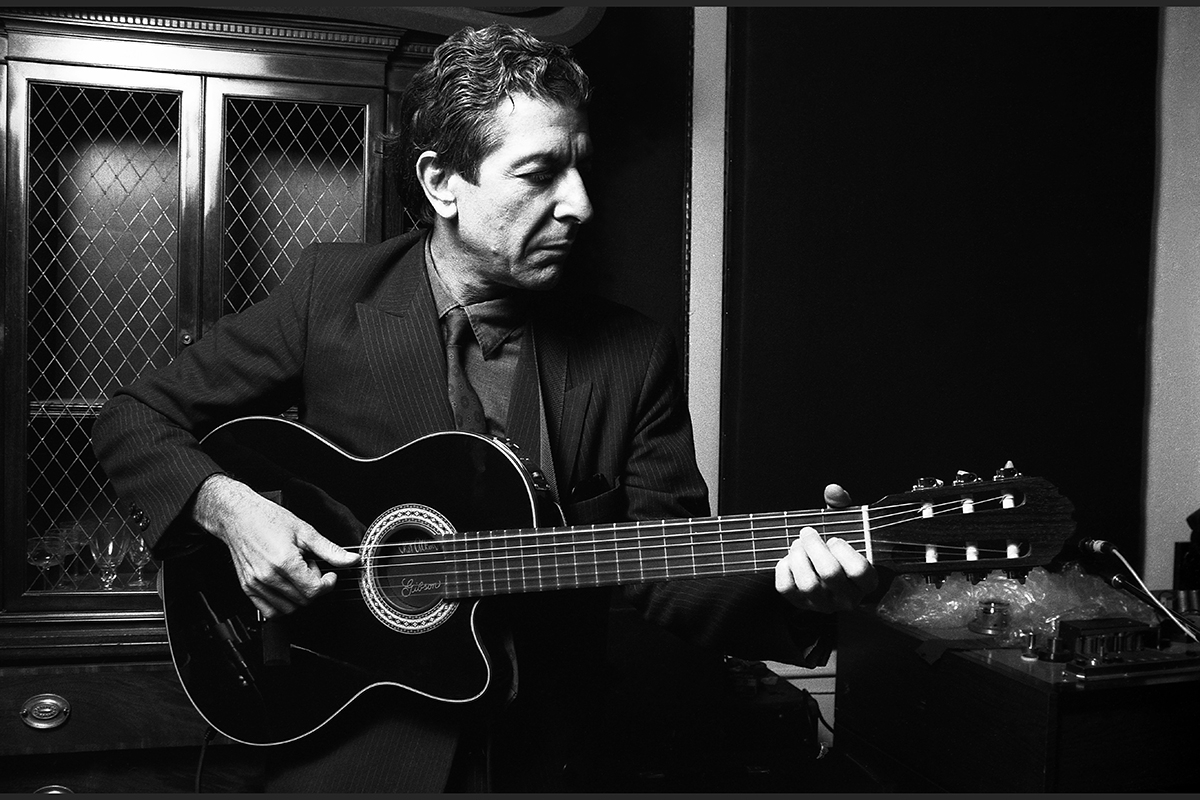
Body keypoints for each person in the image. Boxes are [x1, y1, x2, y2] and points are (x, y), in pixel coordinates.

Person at [92, 23, 876, 792]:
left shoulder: (632, 356)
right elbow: (134, 417)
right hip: (347, 748)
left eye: (582, 169)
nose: (579, 205)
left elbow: (665, 563)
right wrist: (231, 511)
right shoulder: (328, 296)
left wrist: (795, 591)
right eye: (539, 174)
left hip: (545, 759)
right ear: (442, 184)